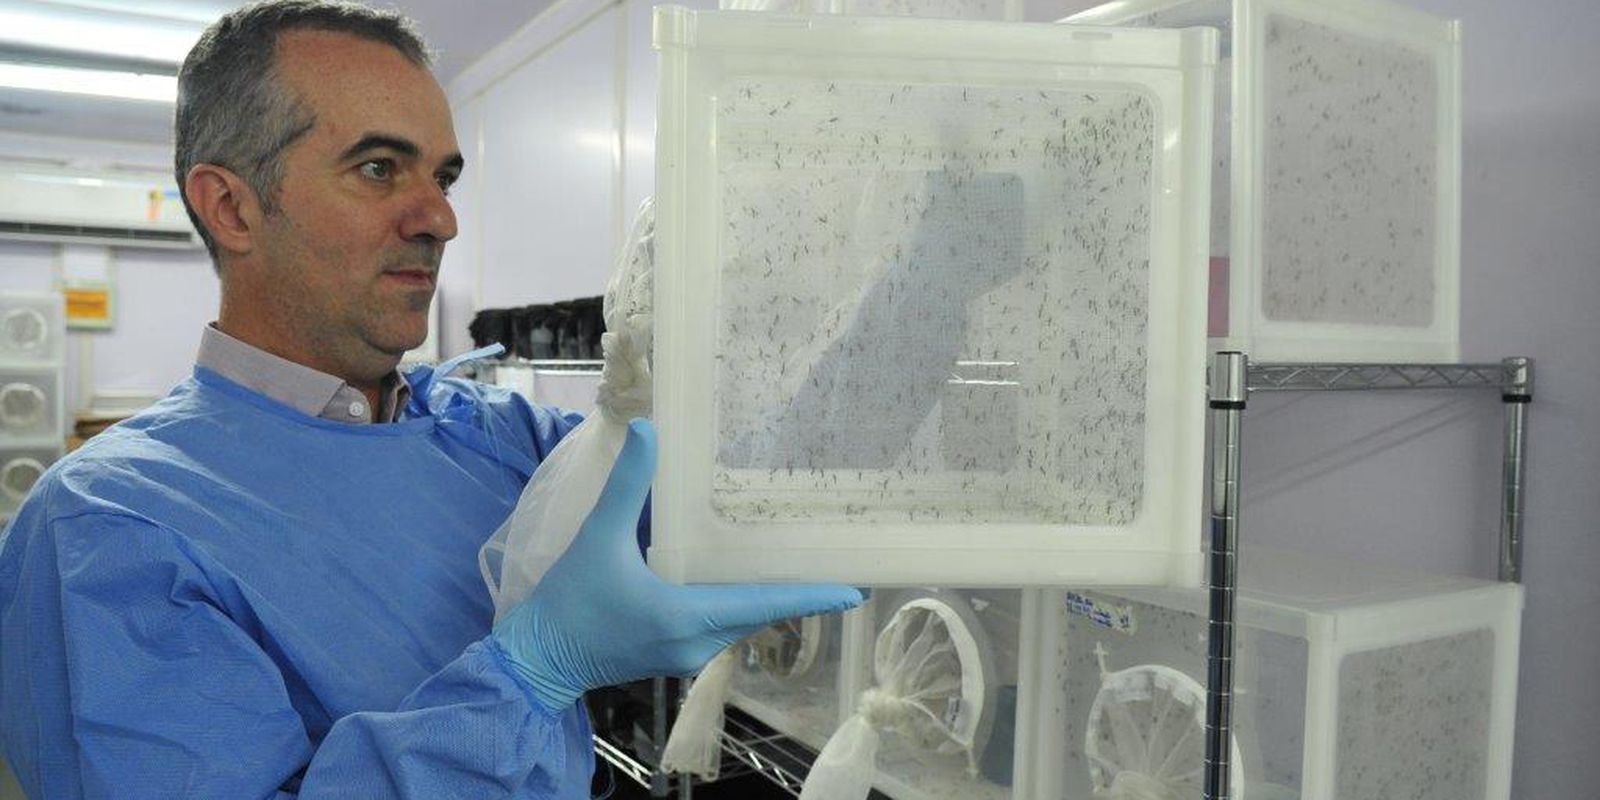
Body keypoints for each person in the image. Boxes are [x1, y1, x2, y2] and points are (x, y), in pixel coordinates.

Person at [0, 1, 860, 797]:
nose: (441, 220)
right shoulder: (108, 528)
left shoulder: (495, 438)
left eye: (442, 178)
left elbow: (750, 491)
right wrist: (531, 676)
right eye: (379, 168)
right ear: (231, 206)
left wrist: (887, 284)